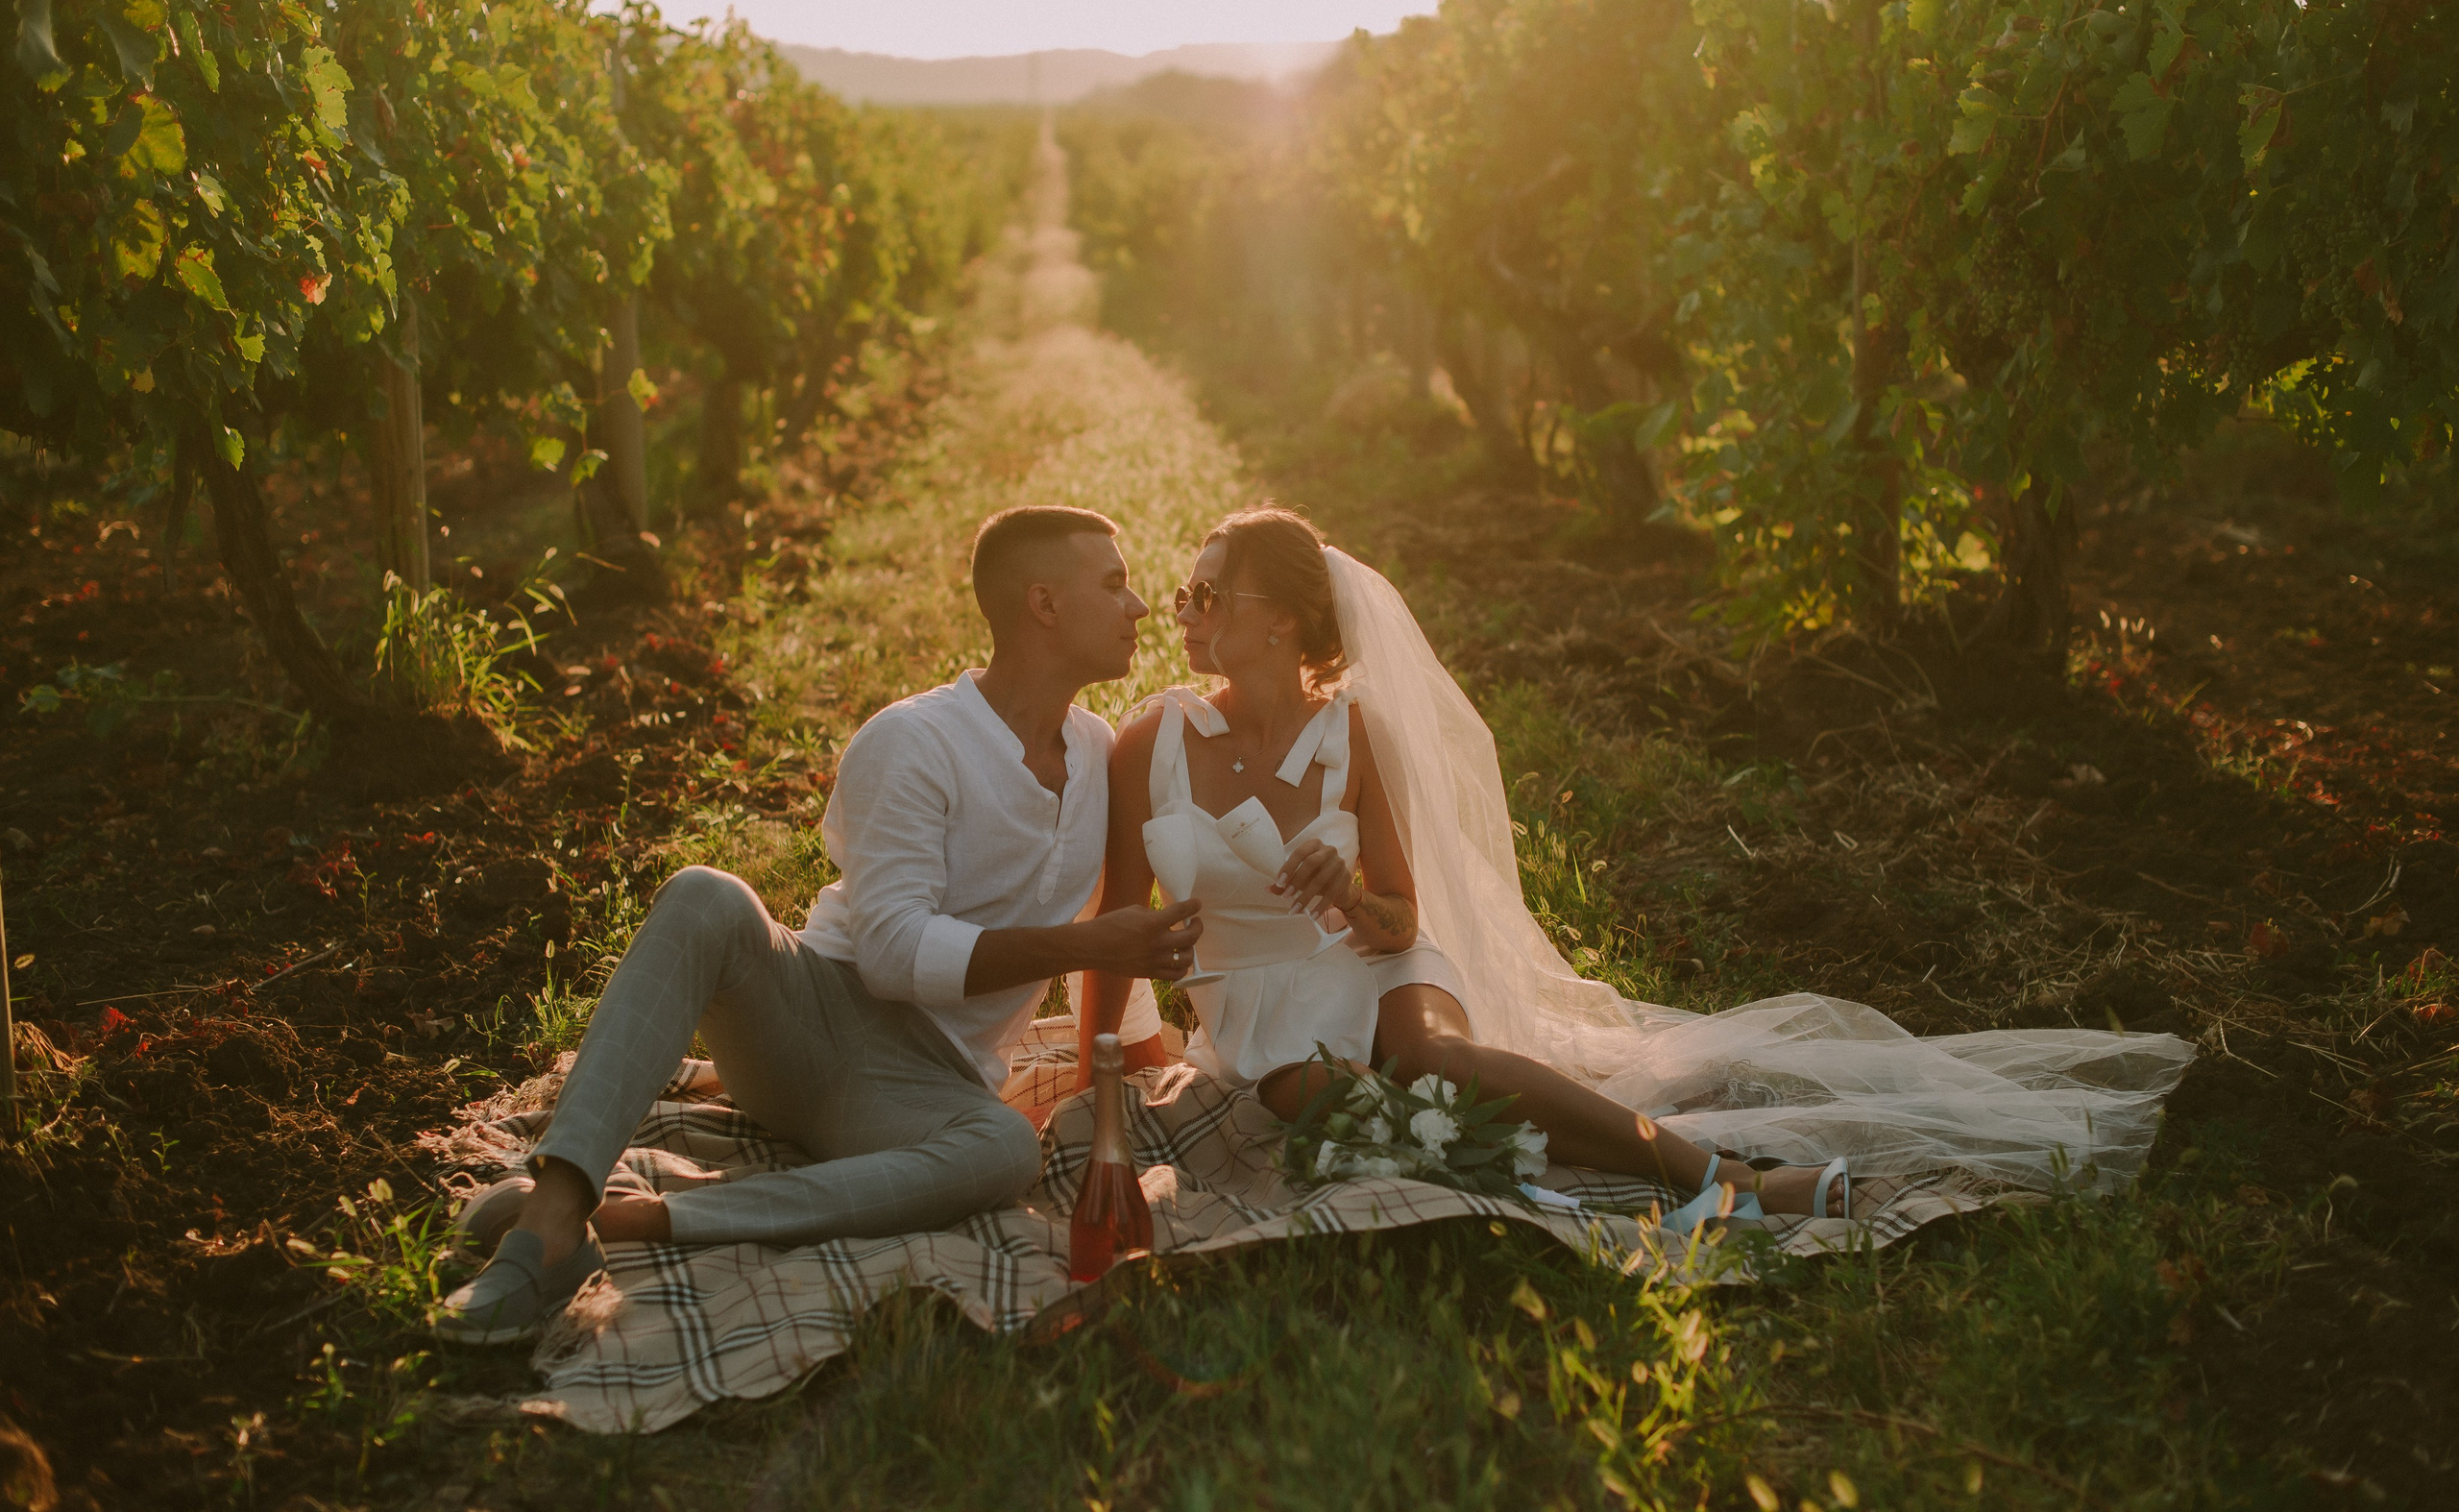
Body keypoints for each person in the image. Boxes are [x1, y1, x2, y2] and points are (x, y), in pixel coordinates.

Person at [1084, 507, 2196, 1226]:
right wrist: (1111, 1081)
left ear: (1279, 617)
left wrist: (1347, 892)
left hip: (1373, 965)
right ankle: (1637, 1188)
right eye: (1185, 594)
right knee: (1335, 1108)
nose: (1184, 612)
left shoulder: (1354, 733)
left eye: (1204, 592)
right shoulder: (1153, 738)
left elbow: (1396, 916)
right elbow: (1109, 922)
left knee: (1429, 1051)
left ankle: (1725, 1181)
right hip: (1258, 1004)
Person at [436, 505, 1197, 1344]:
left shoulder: (1099, 752)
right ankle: (548, 1218)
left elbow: (1106, 934)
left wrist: (1120, 1067)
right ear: (1043, 604)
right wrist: (1081, 946)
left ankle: (632, 1222)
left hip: (927, 1089)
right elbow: (893, 955)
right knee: (705, 893)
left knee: (1006, 1152)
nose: (1139, 607)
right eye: (1116, 584)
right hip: (810, 1024)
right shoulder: (913, 739)